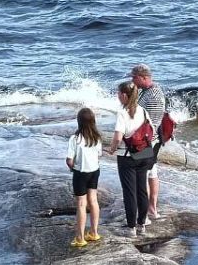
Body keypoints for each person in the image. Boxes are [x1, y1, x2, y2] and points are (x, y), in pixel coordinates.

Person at [107, 80, 152, 235]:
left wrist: (112, 149)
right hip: (144, 153)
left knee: (129, 192)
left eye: (119, 93)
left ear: (125, 96)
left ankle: (131, 228)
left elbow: (118, 137)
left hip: (127, 156)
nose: (117, 96)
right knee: (142, 190)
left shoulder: (122, 113)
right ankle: (142, 225)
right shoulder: (143, 111)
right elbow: (150, 131)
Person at [131, 63, 165, 219]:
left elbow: (142, 120)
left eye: (134, 78)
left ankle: (144, 212)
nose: (132, 80)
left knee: (142, 175)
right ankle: (152, 209)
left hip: (146, 141)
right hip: (154, 139)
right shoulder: (154, 90)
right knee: (152, 173)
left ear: (144, 77)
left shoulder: (151, 96)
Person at [65, 108, 103, 248]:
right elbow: (99, 154)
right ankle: (94, 232)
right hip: (94, 171)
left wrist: (72, 167)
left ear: (79, 122)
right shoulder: (97, 137)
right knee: (93, 200)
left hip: (81, 172)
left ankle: (80, 238)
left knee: (81, 204)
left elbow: (69, 160)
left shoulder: (75, 139)